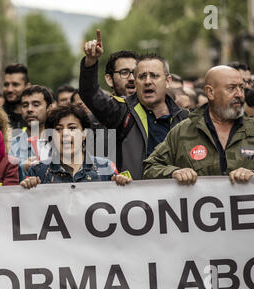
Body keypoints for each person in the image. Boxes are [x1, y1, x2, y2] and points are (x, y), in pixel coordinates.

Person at [143, 66, 254, 184]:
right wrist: (173, 172)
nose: (239, 94)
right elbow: (150, 168)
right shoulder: (183, 131)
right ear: (210, 92)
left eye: (241, 88)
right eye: (231, 88)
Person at [79, 29, 189, 180]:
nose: (148, 81)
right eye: (142, 76)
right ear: (136, 82)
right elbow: (90, 95)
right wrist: (90, 62)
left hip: (177, 200)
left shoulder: (185, 119)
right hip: (133, 201)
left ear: (168, 81)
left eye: (154, 76)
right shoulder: (122, 112)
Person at [20, 104, 132, 188]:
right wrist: (27, 188)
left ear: (84, 134)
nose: (65, 133)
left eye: (72, 128)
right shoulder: (37, 171)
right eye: (58, 129)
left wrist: (123, 185)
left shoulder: (106, 168)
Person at [9, 85, 53, 181]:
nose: (29, 109)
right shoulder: (11, 146)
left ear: (49, 108)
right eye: (25, 105)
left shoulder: (61, 142)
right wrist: (22, 170)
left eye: (36, 105)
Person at [3, 64, 31, 130]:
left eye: (15, 84)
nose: (9, 89)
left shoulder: (36, 116)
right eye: (6, 84)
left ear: (27, 86)